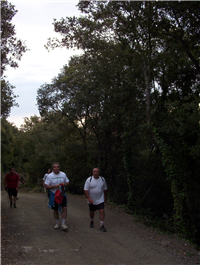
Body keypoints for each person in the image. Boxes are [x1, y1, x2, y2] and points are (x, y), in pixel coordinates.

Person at [44, 162, 69, 231]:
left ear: (59, 168)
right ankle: (57, 222)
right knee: (55, 209)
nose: (56, 168)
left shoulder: (63, 174)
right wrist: (54, 186)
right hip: (54, 194)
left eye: (57, 167)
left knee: (64, 207)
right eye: (55, 167)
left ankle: (63, 223)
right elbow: (46, 185)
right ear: (53, 168)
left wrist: (64, 184)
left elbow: (67, 182)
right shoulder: (50, 176)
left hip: (62, 194)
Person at [84, 168, 107, 232]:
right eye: (94, 172)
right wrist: (89, 198)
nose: (96, 173)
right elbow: (86, 190)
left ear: (99, 173)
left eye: (97, 172)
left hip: (100, 199)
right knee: (92, 212)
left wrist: (105, 197)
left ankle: (101, 225)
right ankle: (92, 220)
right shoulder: (89, 180)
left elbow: (105, 189)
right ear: (92, 173)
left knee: (102, 211)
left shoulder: (102, 179)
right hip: (92, 199)